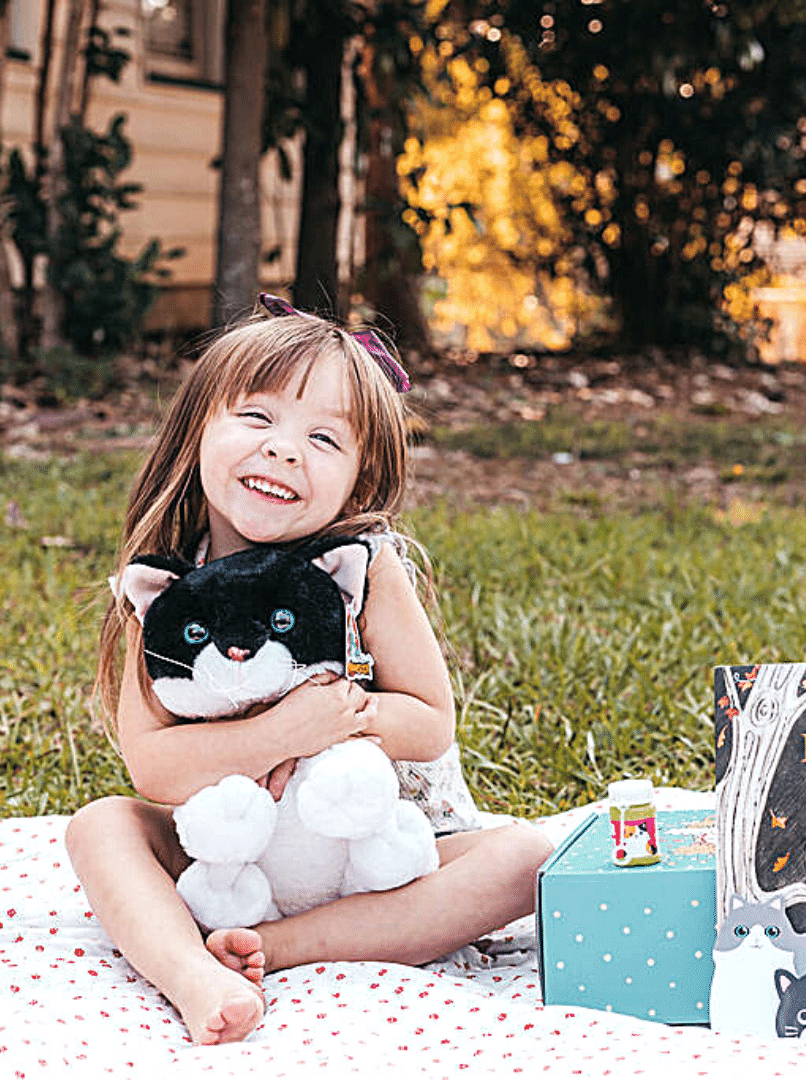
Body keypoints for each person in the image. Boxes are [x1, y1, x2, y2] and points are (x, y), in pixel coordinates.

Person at [64, 297, 553, 1046]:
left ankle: (279, 947)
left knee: (525, 858)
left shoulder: (363, 567)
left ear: (359, 480)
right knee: (102, 828)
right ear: (196, 432)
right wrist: (277, 732)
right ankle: (192, 974)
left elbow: (428, 723)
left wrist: (337, 723)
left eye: (323, 437)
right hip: (228, 847)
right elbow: (154, 765)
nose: (284, 450)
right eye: (257, 419)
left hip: (383, 852)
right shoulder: (165, 586)